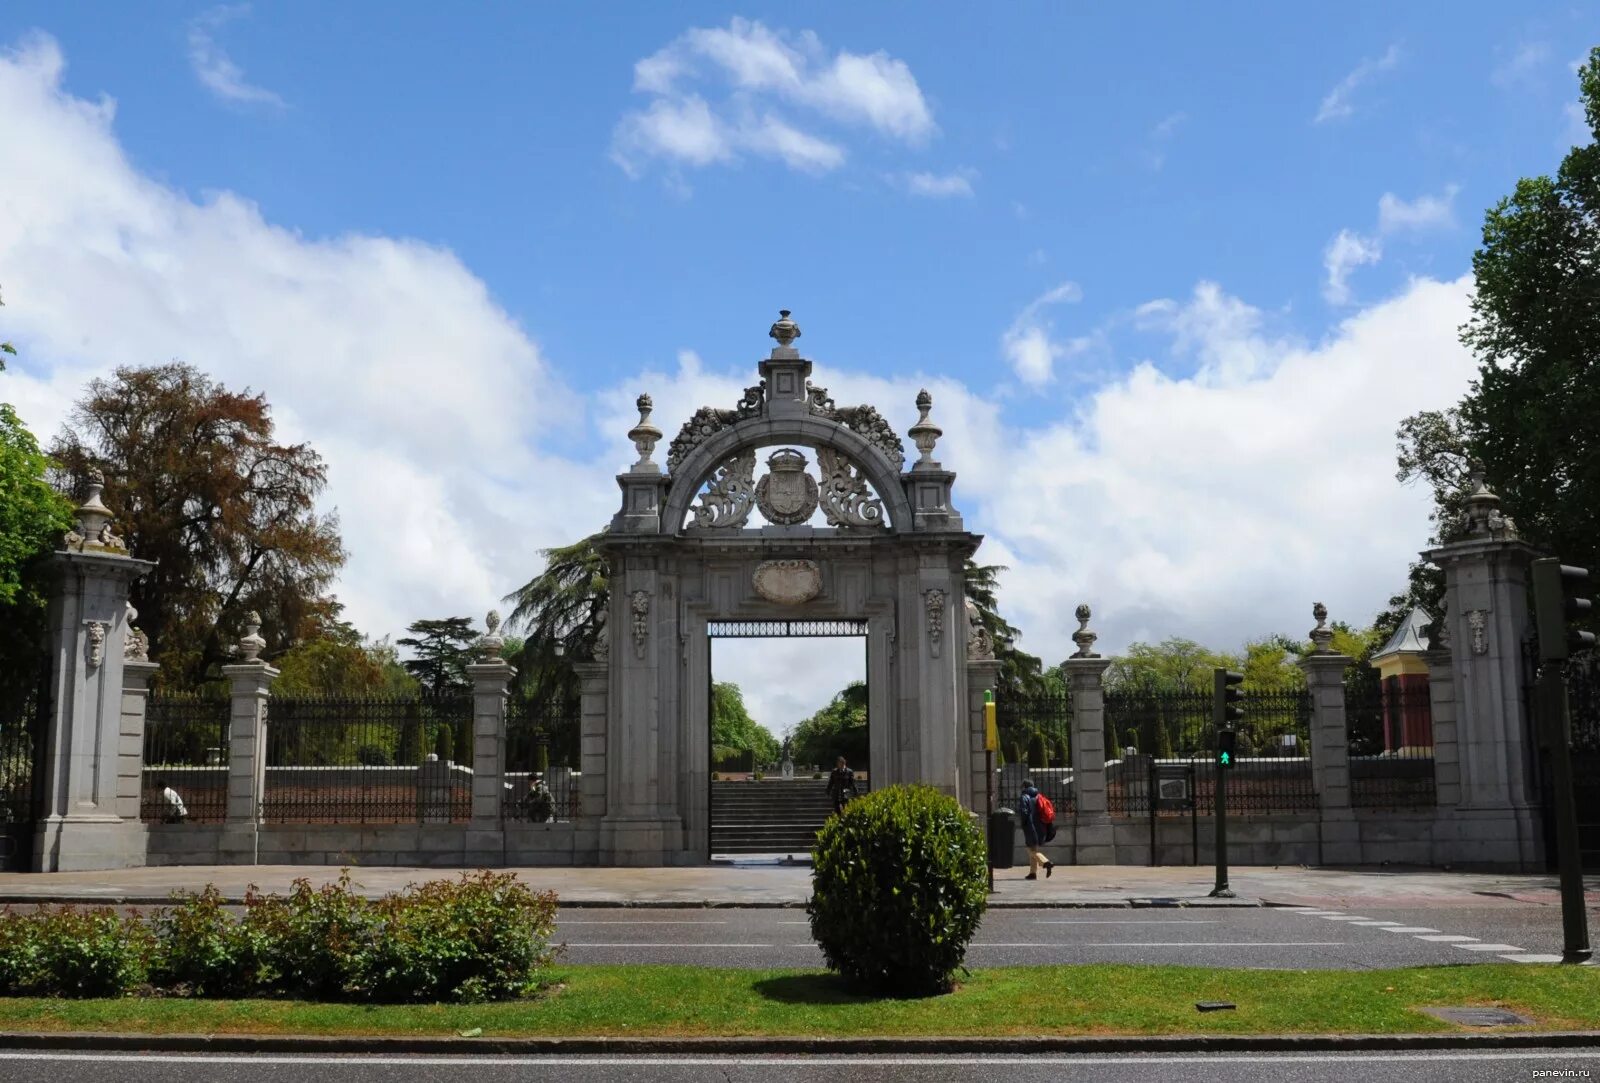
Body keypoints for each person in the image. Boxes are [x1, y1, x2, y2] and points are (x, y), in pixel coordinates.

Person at [1017, 778, 1054, 880]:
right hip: (1040, 827)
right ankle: (1033, 873)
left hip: (1030, 826)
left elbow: (1024, 812)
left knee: (1029, 849)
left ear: (1025, 786)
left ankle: (1045, 862)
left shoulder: (1024, 796)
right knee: (1033, 848)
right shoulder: (1038, 796)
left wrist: (1023, 823)